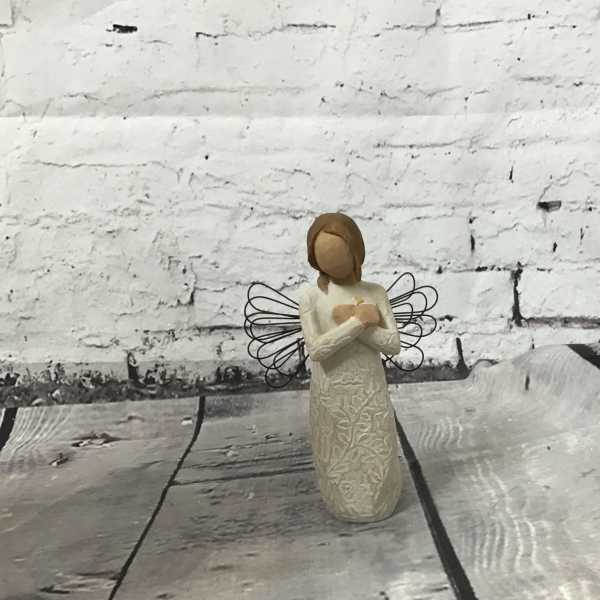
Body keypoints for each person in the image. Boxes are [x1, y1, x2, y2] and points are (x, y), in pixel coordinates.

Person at [298, 212, 403, 523]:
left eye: (341, 254)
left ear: (357, 252)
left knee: (376, 449)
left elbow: (392, 344)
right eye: (324, 255)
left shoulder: (375, 292)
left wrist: (358, 324)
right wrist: (358, 322)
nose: (333, 262)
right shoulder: (310, 296)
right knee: (338, 452)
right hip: (332, 394)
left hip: (370, 392)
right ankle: (343, 502)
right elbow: (317, 350)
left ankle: (381, 500)